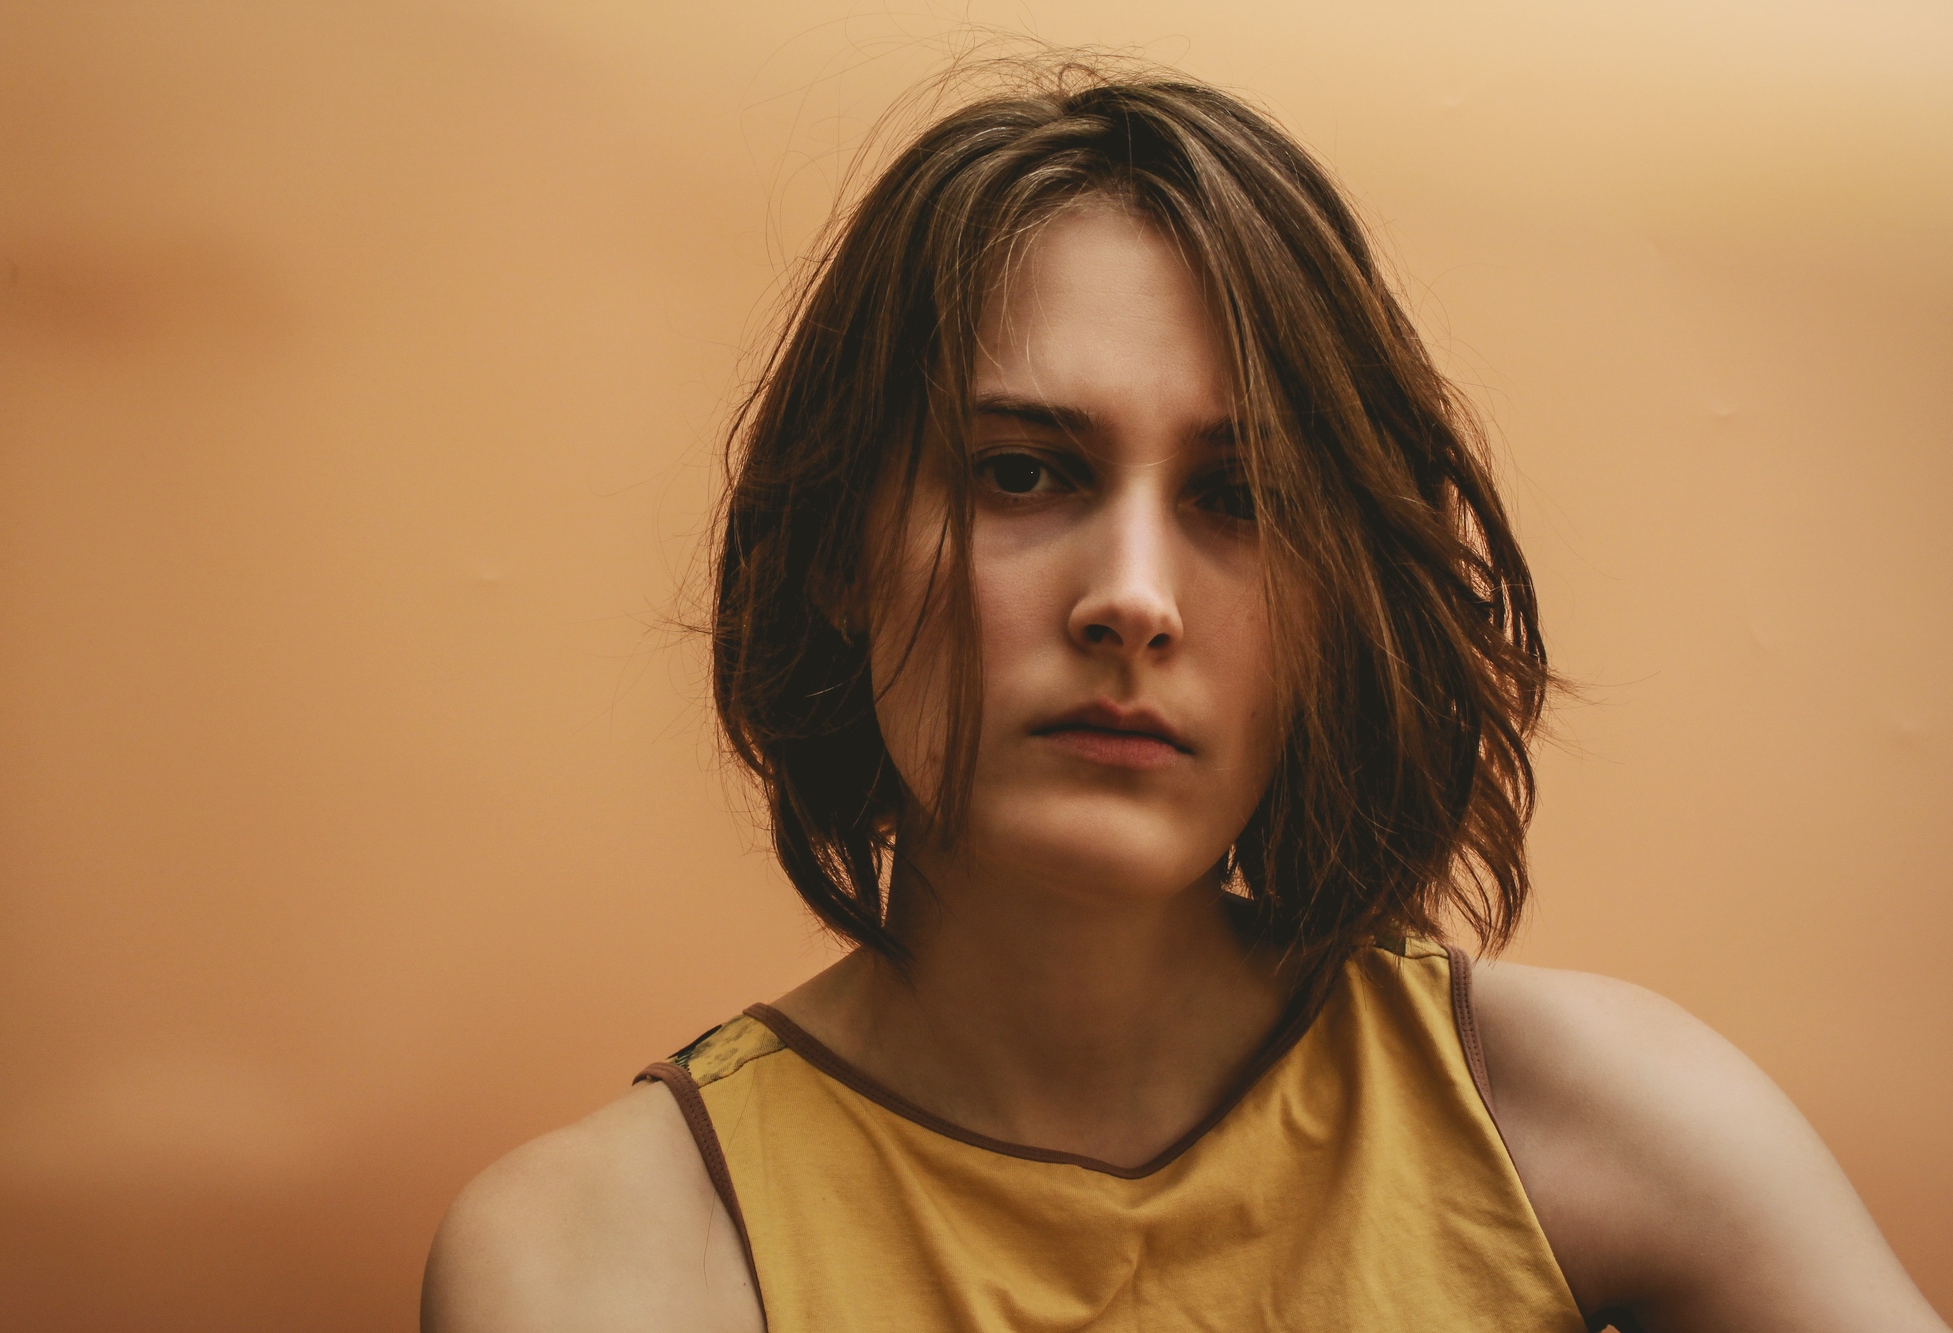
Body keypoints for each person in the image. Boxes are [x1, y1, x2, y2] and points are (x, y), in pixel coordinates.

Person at [420, 62, 1946, 1333]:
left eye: (1238, 495)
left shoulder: (1603, 1120)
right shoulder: (608, 1258)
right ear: (837, 548)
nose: (1132, 595)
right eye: (1023, 471)